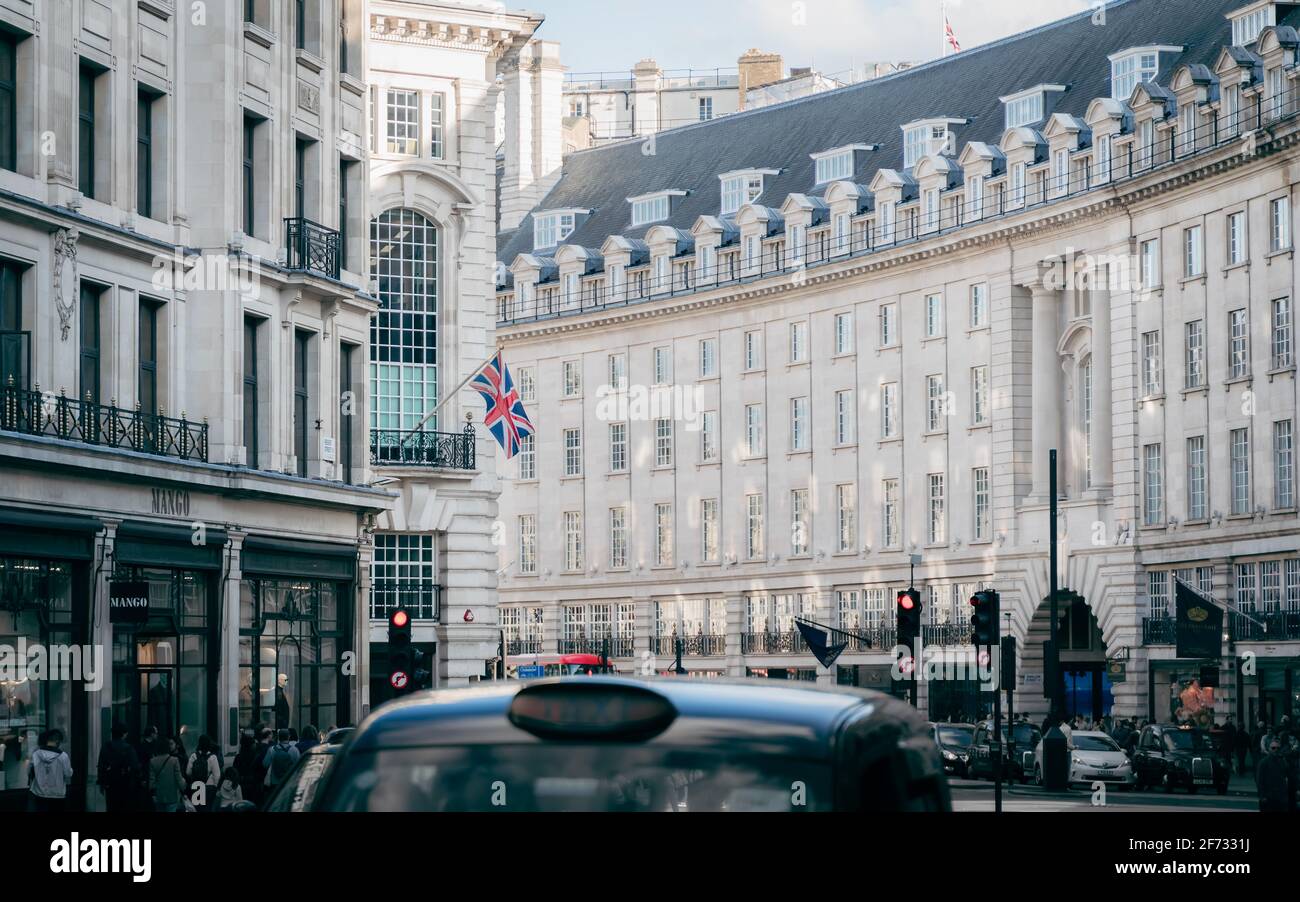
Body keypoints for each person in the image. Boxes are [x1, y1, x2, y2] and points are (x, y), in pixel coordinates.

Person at [97, 723, 141, 813]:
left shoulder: (106, 746)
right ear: (124, 734)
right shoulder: (128, 748)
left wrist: (102, 782)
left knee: (111, 806)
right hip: (125, 783)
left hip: (110, 783)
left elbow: (101, 765)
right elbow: (135, 766)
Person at [28, 728, 74, 812]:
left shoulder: (36, 754)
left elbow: (30, 771)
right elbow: (68, 774)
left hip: (39, 793)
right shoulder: (63, 756)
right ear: (58, 741)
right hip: (57, 794)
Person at [148, 736, 186, 813]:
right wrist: (183, 789)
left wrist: (153, 794)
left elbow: (152, 782)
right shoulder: (174, 760)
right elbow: (178, 778)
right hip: (172, 795)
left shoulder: (152, 761)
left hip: (159, 796)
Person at [1257, 737, 1294, 812]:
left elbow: (1288, 776)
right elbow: (1259, 780)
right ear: (1269, 748)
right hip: (1268, 796)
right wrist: (1262, 796)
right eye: (1273, 748)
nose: (1276, 750)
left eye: (1278, 748)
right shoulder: (1263, 762)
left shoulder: (1282, 761)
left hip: (1280, 797)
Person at [186, 735, 221, 811]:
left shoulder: (193, 756)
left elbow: (188, 772)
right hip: (208, 788)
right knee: (207, 808)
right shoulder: (213, 757)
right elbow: (217, 776)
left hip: (196, 786)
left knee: (197, 809)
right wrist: (215, 787)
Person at [234, 732, 264, 806]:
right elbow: (261, 773)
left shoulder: (238, 757)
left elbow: (235, 771)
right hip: (254, 787)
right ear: (251, 745)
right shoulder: (257, 757)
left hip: (241, 787)